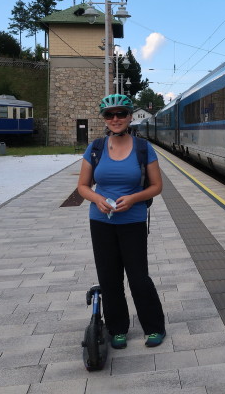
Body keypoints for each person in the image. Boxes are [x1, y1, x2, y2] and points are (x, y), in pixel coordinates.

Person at [77, 93, 166, 349]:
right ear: (104, 119)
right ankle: (117, 328)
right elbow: (82, 187)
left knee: (138, 277)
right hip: (101, 221)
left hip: (133, 221)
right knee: (109, 277)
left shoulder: (143, 148)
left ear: (129, 117)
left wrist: (135, 198)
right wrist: (96, 198)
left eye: (121, 114)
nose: (115, 119)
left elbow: (157, 186)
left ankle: (154, 327)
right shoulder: (94, 148)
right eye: (109, 115)